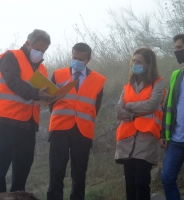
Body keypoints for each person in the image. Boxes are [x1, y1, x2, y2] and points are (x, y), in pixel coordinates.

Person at [47, 42, 106, 200]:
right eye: (74, 57)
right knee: (56, 170)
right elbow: (50, 101)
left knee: (79, 173)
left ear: (88, 60)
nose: (77, 61)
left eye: (81, 59)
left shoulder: (98, 80)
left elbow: (95, 107)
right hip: (59, 128)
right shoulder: (58, 74)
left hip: (83, 130)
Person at [0, 29, 55, 193]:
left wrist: (51, 96)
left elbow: (40, 95)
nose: (40, 53)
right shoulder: (11, 57)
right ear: (27, 43)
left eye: (43, 51)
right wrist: (36, 93)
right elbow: (12, 81)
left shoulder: (42, 69)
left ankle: (17, 196)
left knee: (23, 167)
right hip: (5, 121)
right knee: (1, 165)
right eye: (37, 48)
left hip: (29, 125)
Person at [115, 48, 165, 200]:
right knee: (130, 184)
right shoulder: (128, 85)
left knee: (141, 183)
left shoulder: (158, 82)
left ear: (149, 65)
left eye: (139, 61)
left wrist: (130, 107)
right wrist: (133, 111)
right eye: (134, 61)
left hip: (146, 137)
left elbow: (151, 105)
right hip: (127, 139)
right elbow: (118, 111)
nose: (135, 64)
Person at [160, 33, 184, 200]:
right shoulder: (176, 74)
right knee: (167, 178)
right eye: (175, 48)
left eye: (179, 47)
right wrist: (164, 133)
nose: (176, 51)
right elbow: (168, 106)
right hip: (175, 139)